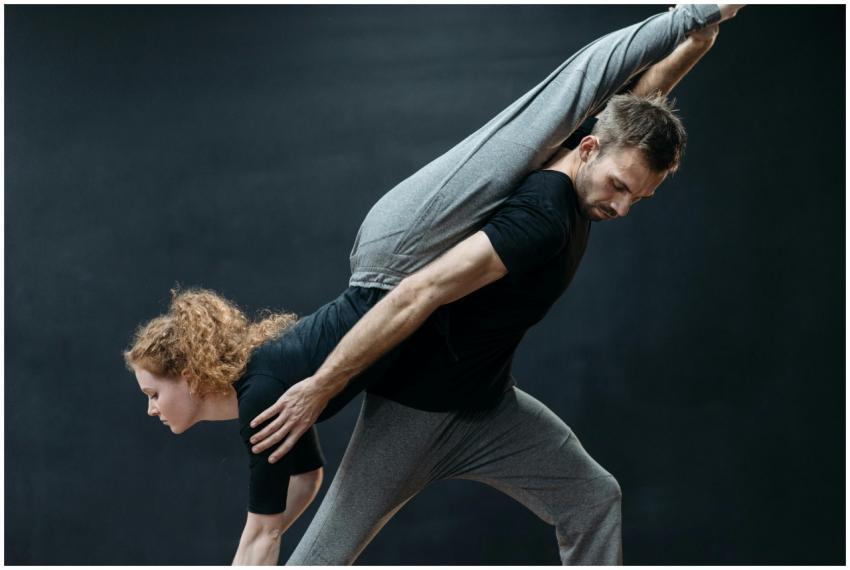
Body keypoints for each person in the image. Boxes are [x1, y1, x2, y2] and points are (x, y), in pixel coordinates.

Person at [124, 5, 740, 565]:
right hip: (411, 387)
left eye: (638, 195)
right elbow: (416, 293)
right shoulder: (542, 217)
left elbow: (634, 111)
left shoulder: (588, 172)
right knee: (322, 557)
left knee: (593, 497)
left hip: (486, 405)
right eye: (620, 187)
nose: (624, 206)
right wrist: (320, 386)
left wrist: (698, 44)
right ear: (588, 151)